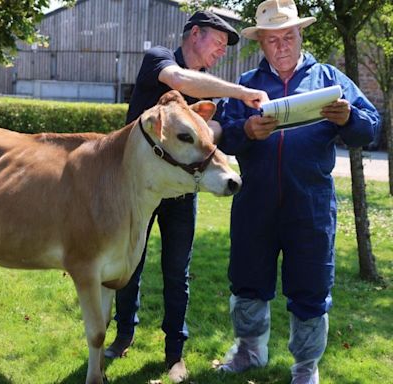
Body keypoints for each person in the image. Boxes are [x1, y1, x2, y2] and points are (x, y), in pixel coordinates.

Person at [215, 1, 380, 383]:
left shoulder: (327, 79)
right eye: (272, 40)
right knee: (247, 278)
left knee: (310, 286)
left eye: (288, 36)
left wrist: (349, 117)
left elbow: (369, 128)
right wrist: (247, 133)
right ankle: (249, 351)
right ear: (262, 45)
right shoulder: (244, 85)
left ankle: (306, 368)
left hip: (311, 205)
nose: (281, 46)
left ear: (300, 35)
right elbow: (224, 132)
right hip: (255, 203)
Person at [103, 10, 269, 383]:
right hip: (138, 191)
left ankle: (174, 353)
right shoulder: (159, 60)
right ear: (195, 34)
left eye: (227, 47)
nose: (222, 52)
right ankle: (123, 334)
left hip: (180, 193)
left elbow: (212, 132)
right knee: (129, 265)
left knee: (177, 273)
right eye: (218, 42)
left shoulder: (210, 88)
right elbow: (181, 82)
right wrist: (241, 91)